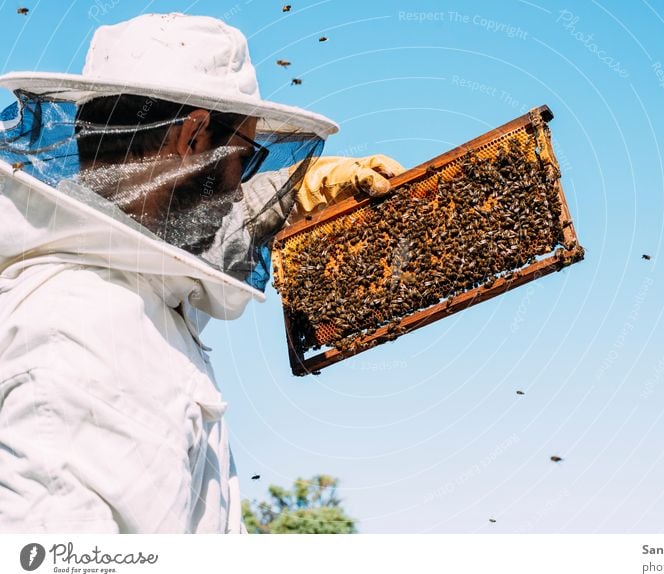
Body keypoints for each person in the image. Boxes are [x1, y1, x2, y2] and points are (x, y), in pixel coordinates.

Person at [0, 13, 404, 533]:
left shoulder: (126, 293)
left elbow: (189, 245)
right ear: (192, 135)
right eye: (245, 157)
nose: (240, 188)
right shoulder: (82, 336)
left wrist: (290, 196)